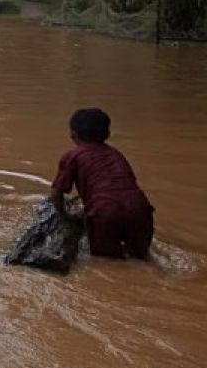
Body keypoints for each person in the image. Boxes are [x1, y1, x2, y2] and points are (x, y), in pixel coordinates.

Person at [49, 108, 155, 259]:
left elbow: (56, 193)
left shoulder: (72, 156)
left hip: (105, 211)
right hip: (139, 208)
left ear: (72, 134)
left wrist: (66, 216)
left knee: (108, 263)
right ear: (108, 134)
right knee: (142, 258)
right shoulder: (116, 154)